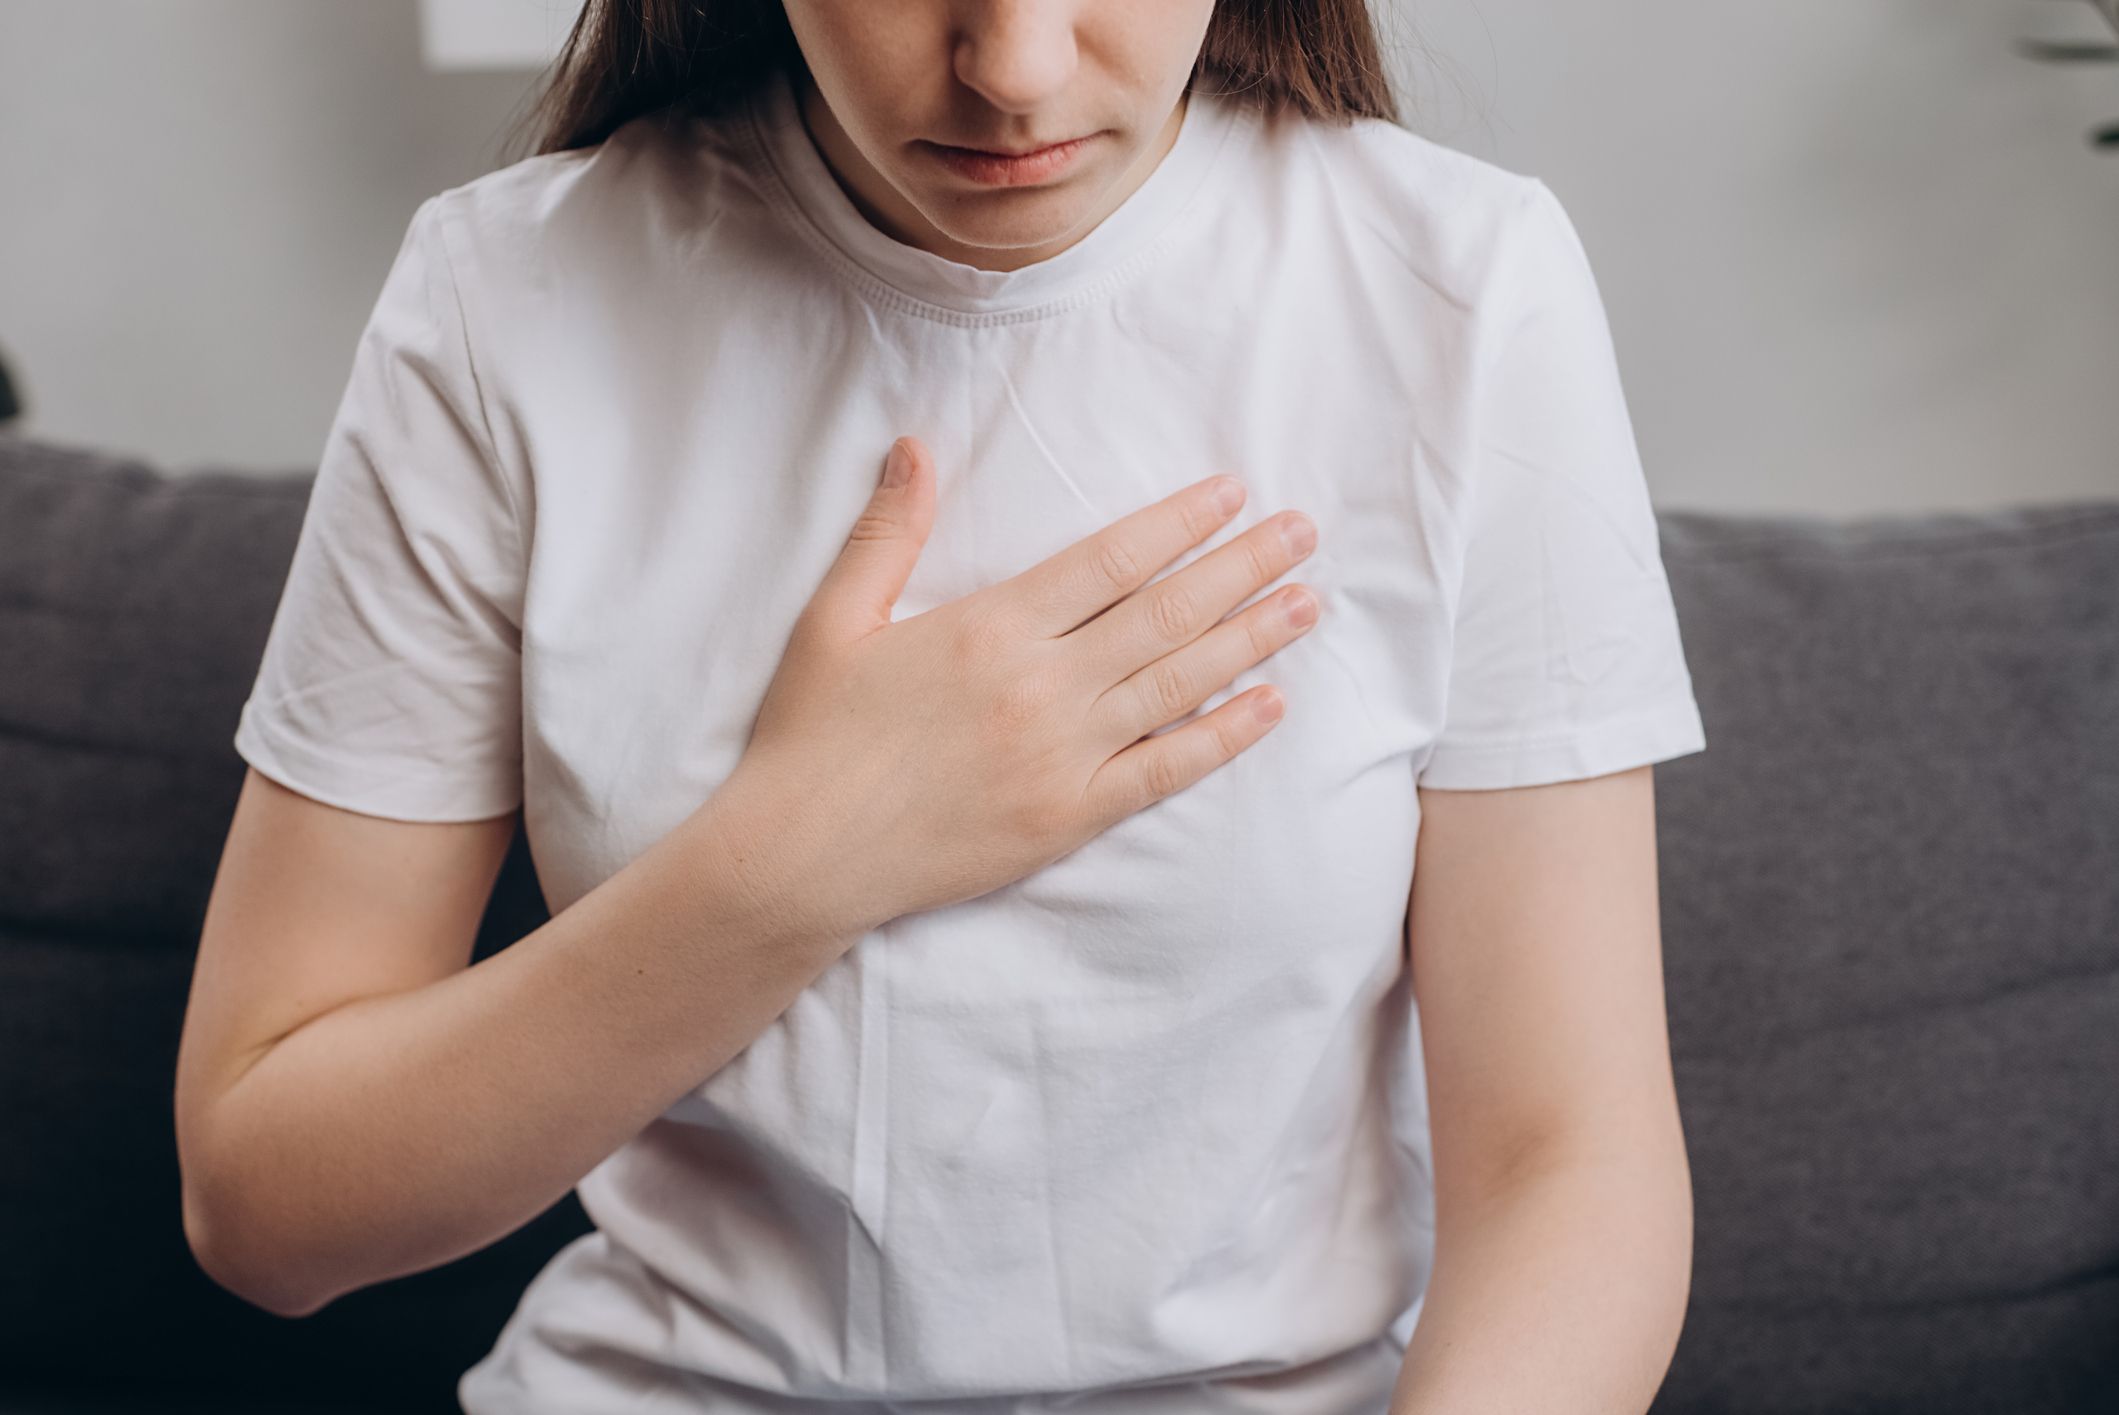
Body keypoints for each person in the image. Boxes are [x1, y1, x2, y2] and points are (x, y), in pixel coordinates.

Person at [175, 1, 1707, 1411]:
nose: (1015, 67)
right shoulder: (507, 299)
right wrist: (794, 862)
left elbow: (1570, 1167)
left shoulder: (1459, 286)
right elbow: (265, 1205)